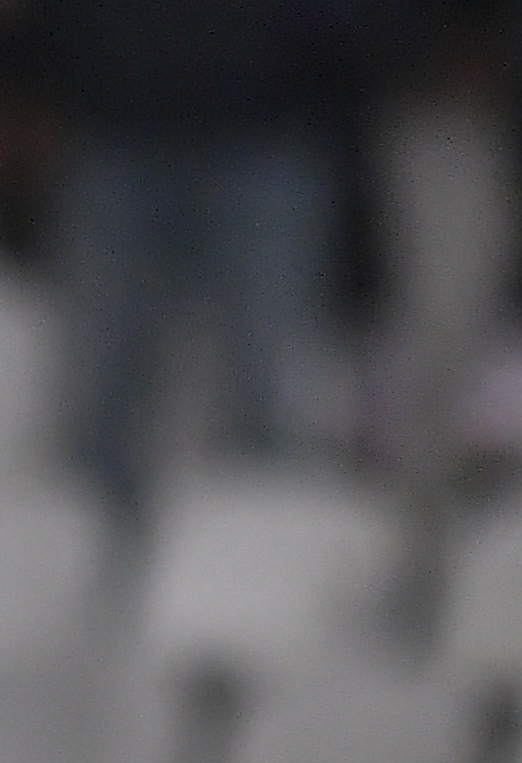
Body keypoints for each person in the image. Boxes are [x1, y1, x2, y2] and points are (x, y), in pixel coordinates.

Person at [33, 0, 394, 512]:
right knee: (102, 393)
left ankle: (265, 564)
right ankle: (96, 568)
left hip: (269, 133)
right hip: (117, 131)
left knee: (272, 392)